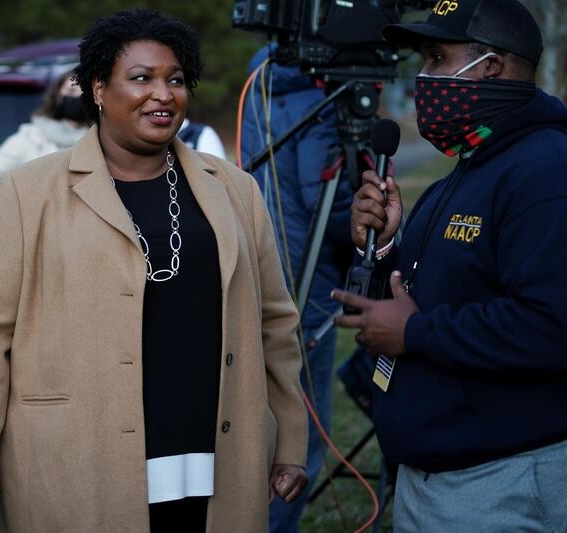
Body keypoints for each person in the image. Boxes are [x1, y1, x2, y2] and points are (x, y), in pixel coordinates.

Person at [0, 9, 308, 532]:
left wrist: (291, 441)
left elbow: (277, 323)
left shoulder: (234, 191)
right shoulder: (27, 192)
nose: (163, 94)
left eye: (175, 80)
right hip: (75, 463)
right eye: (141, 78)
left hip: (214, 458)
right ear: (96, 88)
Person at [331, 0, 567, 530]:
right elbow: (441, 290)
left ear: (491, 67)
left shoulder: (547, 171)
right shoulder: (463, 172)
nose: (423, 77)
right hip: (434, 476)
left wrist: (414, 332)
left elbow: (552, 327)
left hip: (502, 483)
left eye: (437, 57)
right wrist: (387, 248)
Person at [241, 45, 350, 532]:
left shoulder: (264, 80)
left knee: (265, 419)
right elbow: (325, 196)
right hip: (307, 276)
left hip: (265, 267)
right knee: (300, 432)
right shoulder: (316, 97)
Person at [0, 70, 89, 175]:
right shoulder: (30, 139)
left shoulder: (100, 140)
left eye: (84, 92)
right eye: (71, 91)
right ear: (57, 95)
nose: (78, 97)